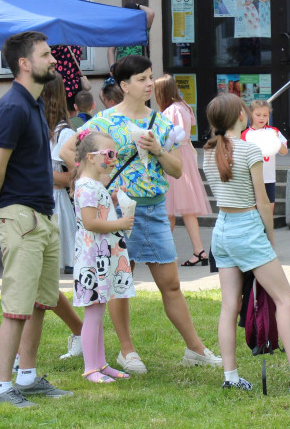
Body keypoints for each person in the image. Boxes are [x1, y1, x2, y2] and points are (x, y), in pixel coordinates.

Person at [60, 54, 221, 375]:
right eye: (142, 79)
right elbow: (68, 150)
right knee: (121, 283)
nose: (150, 84)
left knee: (171, 284)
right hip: (116, 213)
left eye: (151, 78)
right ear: (124, 85)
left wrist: (158, 150)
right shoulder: (103, 122)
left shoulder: (161, 123)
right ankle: (126, 351)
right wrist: (90, 180)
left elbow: (177, 170)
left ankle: (196, 349)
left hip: (153, 211)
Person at [204, 94, 290, 395]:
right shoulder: (248, 149)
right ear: (241, 115)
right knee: (286, 299)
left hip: (222, 231)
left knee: (229, 305)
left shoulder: (209, 152)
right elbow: (263, 203)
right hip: (247, 229)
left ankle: (230, 377)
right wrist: (271, 238)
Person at [0, 31, 72, 408]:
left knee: (39, 302)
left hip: (41, 215)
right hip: (20, 217)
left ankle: (28, 377)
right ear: (24, 63)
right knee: (17, 306)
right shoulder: (12, 108)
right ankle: (1, 388)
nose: (54, 60)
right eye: (46, 54)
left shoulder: (33, 103)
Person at [72, 130, 135, 383]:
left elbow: (96, 212)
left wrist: (111, 198)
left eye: (115, 155)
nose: (113, 159)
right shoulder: (87, 186)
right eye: (108, 154)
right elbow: (89, 223)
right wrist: (119, 221)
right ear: (90, 157)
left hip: (102, 255)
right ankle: (90, 368)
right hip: (93, 257)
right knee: (94, 314)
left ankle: (100, 363)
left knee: (98, 312)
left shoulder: (94, 185)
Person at [154, 74, 212, 266]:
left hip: (175, 155)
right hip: (185, 153)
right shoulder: (184, 106)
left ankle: (162, 252)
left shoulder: (172, 110)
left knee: (168, 208)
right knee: (185, 209)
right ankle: (199, 250)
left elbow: (173, 136)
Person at [42, 77, 78, 273]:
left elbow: (74, 176)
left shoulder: (62, 134)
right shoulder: (34, 127)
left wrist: (41, 175)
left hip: (55, 202)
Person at [240, 99, 288, 205]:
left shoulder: (274, 131)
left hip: (269, 178)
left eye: (265, 115)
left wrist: (277, 140)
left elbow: (284, 152)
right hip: (250, 179)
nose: (262, 118)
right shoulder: (245, 134)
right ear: (250, 114)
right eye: (258, 114)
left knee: (269, 208)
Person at [107, 2, 156, 67]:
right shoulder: (118, 29)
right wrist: (112, 67)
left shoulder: (141, 28)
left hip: (138, 66)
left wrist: (137, 5)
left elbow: (151, 13)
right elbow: (111, 50)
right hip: (122, 66)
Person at [52, 45, 91, 113]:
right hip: (75, 83)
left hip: (62, 83)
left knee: (60, 112)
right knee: (73, 111)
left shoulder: (58, 47)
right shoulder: (77, 46)